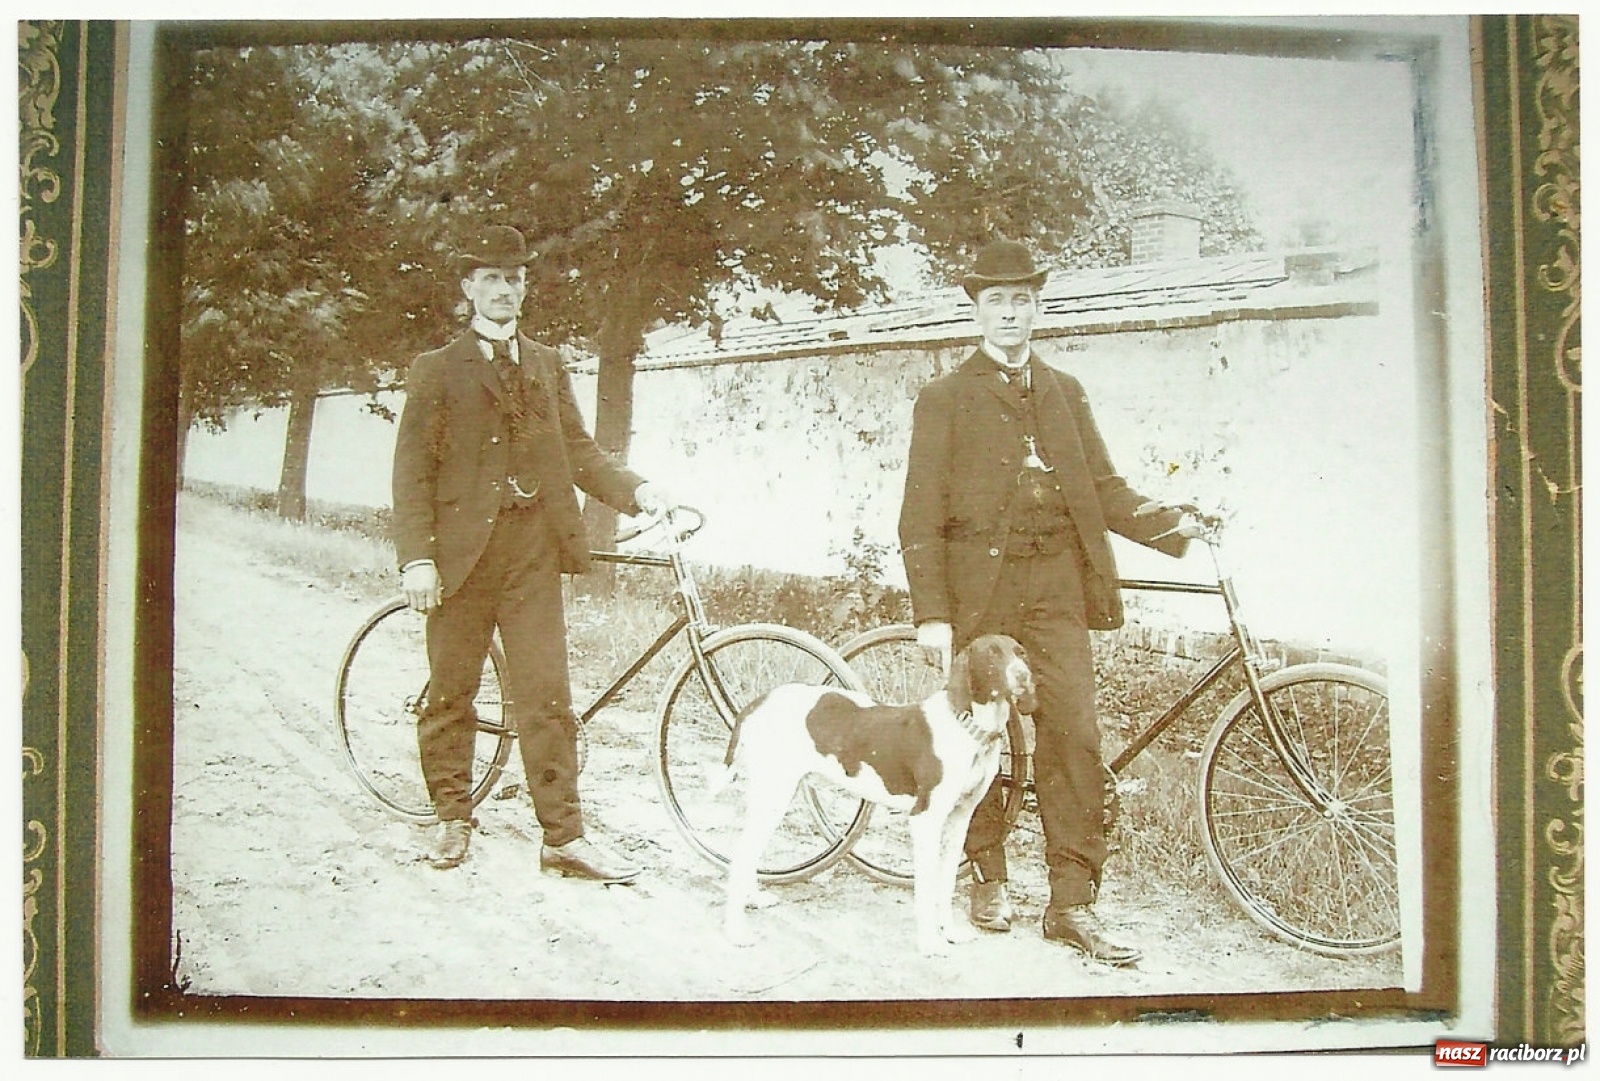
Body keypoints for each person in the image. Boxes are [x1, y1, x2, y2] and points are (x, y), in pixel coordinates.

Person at [898, 238, 1194, 967]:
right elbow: (918, 512)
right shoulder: (945, 397)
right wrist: (933, 611)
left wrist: (1173, 521)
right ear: (976, 311)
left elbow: (1104, 488)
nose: (1010, 312)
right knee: (978, 741)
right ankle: (987, 875)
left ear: (1037, 307)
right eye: (996, 301)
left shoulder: (1064, 390)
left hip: (1057, 587)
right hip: (981, 594)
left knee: (1075, 737)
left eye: (1022, 300)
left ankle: (1071, 902)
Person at [392, 224, 669, 880]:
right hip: (461, 559)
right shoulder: (436, 370)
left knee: (547, 695)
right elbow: (411, 473)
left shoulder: (545, 364)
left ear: (526, 286)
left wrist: (640, 491)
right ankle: (452, 817)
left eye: (514, 277)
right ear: (468, 287)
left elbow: (578, 451)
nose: (504, 289)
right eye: (490, 277)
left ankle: (563, 837)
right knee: (452, 689)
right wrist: (417, 558)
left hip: (531, 552)